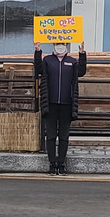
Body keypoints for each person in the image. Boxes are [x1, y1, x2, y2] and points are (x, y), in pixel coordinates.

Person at [34, 40, 87, 176]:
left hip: (67, 104)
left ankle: (61, 163)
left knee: (64, 136)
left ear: (67, 45)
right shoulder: (47, 60)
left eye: (62, 43)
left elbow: (81, 72)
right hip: (50, 103)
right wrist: (38, 51)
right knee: (50, 135)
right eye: (57, 43)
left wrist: (82, 54)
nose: (60, 46)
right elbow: (39, 69)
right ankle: (52, 163)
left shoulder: (72, 61)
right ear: (52, 45)